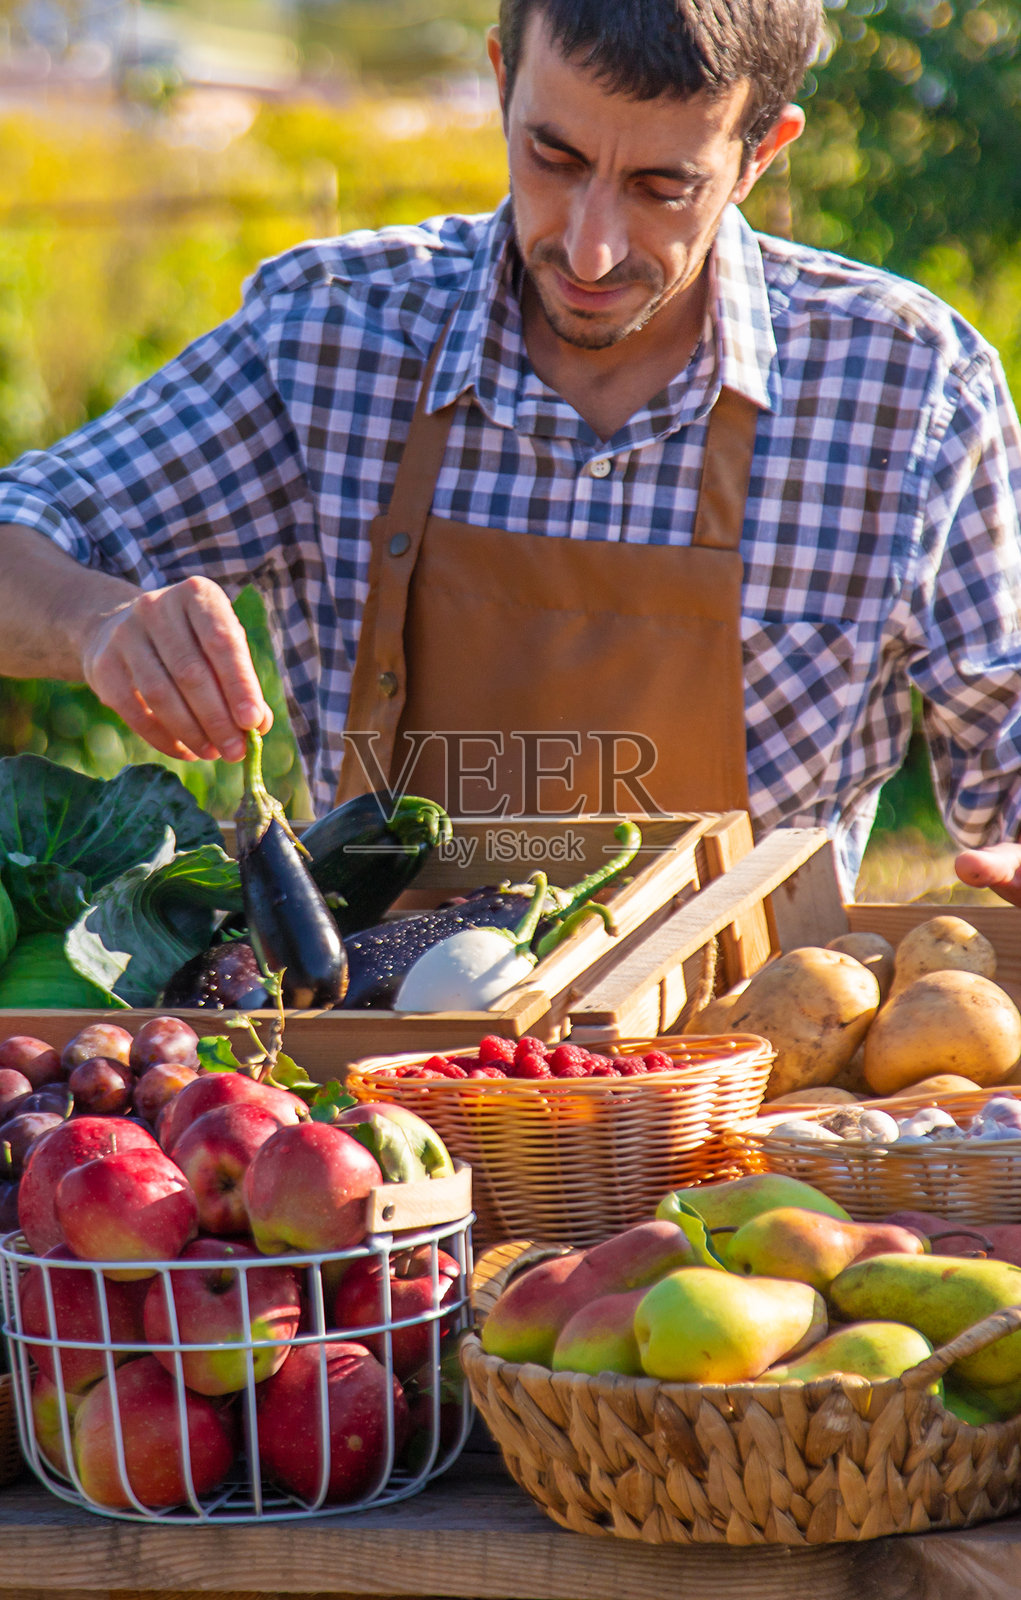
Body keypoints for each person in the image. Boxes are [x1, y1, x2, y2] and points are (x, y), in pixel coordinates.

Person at [0, 0, 1020, 905]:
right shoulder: (331, 339)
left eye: (662, 186)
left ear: (762, 152)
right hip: (388, 1083)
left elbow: (1003, 753)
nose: (588, 249)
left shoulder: (905, 389)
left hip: (751, 1075)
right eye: (554, 158)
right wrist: (96, 621)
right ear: (501, 77)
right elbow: (21, 530)